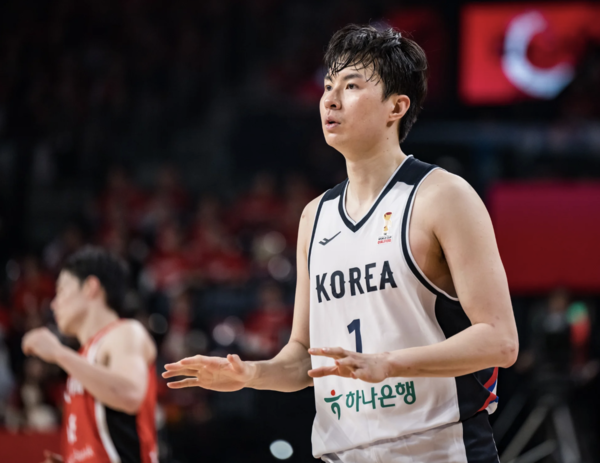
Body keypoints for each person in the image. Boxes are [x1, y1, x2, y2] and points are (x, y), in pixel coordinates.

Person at [163, 24, 518, 462]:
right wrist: (250, 373)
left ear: (396, 107)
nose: (330, 99)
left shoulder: (443, 196)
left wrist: (389, 364)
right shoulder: (315, 217)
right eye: (328, 85)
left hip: (438, 449)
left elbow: (500, 341)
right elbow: (303, 359)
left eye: (351, 86)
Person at [22, 247, 158, 463]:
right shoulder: (83, 358)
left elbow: (129, 394)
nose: (54, 304)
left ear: (90, 287)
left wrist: (58, 352)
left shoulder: (125, 332)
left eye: (61, 290)